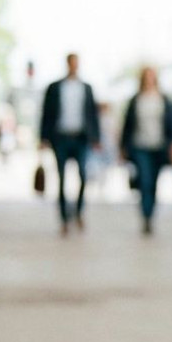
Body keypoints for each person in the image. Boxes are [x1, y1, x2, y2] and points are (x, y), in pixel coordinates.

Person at [39, 53, 102, 236]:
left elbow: (92, 114)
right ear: (67, 64)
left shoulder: (86, 88)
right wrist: (43, 138)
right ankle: (64, 218)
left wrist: (96, 138)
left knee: (83, 175)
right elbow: (46, 114)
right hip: (60, 138)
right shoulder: (54, 87)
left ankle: (79, 211)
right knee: (61, 178)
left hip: (81, 138)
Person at [119, 66, 172, 235]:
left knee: (154, 182)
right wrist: (123, 147)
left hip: (159, 147)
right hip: (140, 146)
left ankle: (150, 215)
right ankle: (145, 214)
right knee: (145, 180)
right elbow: (127, 125)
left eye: (152, 76)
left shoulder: (164, 99)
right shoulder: (136, 100)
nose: (149, 79)